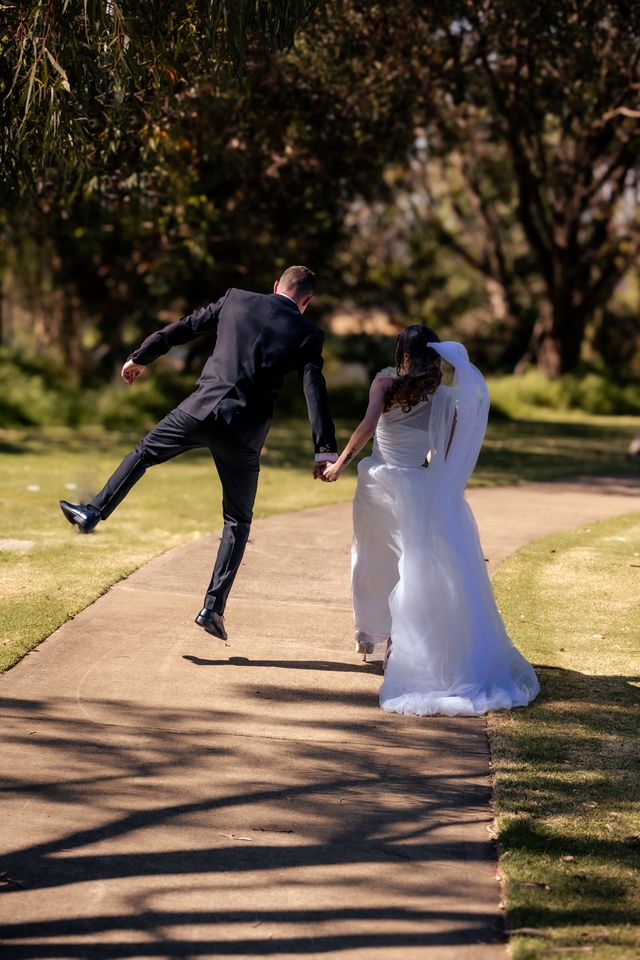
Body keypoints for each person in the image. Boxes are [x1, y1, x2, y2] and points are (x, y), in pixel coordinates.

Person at [59, 266, 337, 641]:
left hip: (199, 410)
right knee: (237, 522)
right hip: (244, 433)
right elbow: (313, 389)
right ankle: (212, 608)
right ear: (306, 302)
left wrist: (141, 356)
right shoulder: (308, 332)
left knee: (143, 453)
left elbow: (185, 327)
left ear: (275, 286)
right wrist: (324, 450)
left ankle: (94, 511)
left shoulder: (236, 298)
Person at [323, 325, 539, 716]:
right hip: (418, 489)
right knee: (414, 564)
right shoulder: (447, 399)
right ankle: (396, 643)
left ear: (401, 353)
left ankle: (373, 636)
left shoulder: (384, 384)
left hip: (377, 483)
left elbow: (368, 426)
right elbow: (445, 455)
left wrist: (339, 463)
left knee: (372, 558)